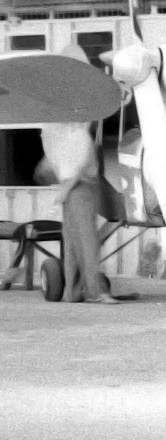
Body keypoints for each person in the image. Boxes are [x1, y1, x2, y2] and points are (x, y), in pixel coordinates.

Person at [39, 121, 118, 305]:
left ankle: (72, 293)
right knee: (87, 242)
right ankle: (94, 293)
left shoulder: (55, 135)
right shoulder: (78, 135)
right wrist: (67, 188)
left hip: (71, 188)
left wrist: (64, 186)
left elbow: (44, 170)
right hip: (81, 188)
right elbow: (81, 167)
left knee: (72, 244)